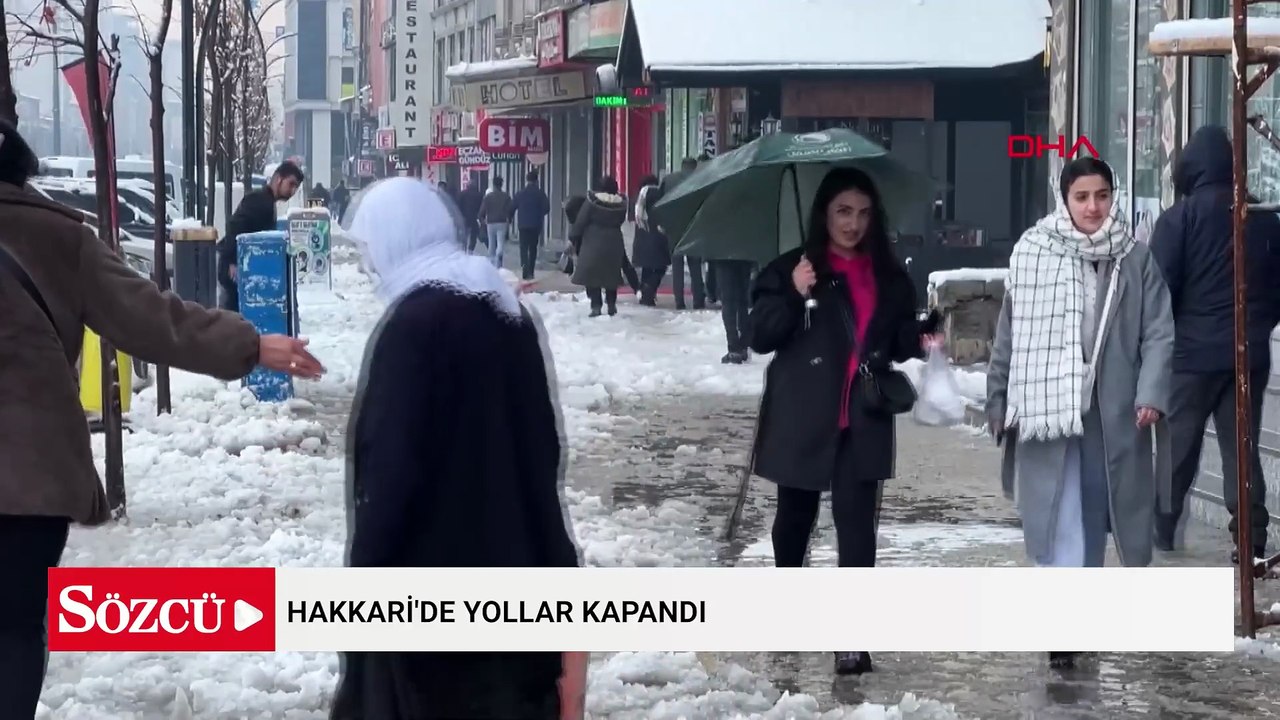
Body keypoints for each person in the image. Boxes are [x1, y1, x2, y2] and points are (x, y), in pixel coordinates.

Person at [0, 119, 324, 718]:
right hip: (30, 485)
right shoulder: (54, 235)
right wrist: (253, 345)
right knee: (13, 630)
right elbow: (154, 318)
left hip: (30, 481)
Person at [331, 177, 581, 720]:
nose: (371, 262)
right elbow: (542, 457)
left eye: (372, 246)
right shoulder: (505, 312)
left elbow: (389, 474)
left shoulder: (412, 327)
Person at [748, 167, 941, 677]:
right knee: (794, 521)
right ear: (824, 215)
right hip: (804, 411)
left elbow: (895, 342)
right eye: (842, 211)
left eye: (862, 213)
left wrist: (922, 333)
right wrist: (792, 291)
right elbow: (760, 336)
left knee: (857, 528)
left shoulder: (890, 276)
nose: (852, 223)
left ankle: (851, 638)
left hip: (864, 415)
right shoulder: (794, 268)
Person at [986, 157, 1174, 668]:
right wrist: (998, 395)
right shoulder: (1034, 253)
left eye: (1102, 196)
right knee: (1054, 511)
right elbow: (1010, 330)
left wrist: (1151, 392)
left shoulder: (1134, 259)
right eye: (1082, 197)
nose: (1093, 207)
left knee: (1095, 513)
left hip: (1110, 410)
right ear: (1063, 199)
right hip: (1048, 408)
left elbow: (1158, 330)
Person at [1149, 125, 1280, 562]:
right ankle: (1251, 540)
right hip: (1248, 355)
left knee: (1178, 447)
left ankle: (1161, 530)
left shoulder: (1178, 219)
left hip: (1190, 358)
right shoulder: (1261, 217)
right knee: (1241, 448)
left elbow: (1159, 292)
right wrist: (1256, 330)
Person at [217, 161, 305, 312]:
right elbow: (235, 225)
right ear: (278, 179)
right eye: (291, 184)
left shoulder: (267, 202)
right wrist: (232, 261)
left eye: (296, 187)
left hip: (242, 267)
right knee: (231, 316)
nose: (293, 191)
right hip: (234, 268)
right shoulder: (259, 200)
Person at [569, 176, 628, 317]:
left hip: (593, 241)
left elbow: (581, 221)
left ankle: (596, 306)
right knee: (611, 274)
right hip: (614, 241)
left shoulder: (591, 202)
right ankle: (611, 304)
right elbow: (620, 220)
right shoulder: (621, 205)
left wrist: (573, 237)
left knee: (592, 274)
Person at [655, 158, 709, 310]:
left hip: (673, 228)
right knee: (695, 266)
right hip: (695, 227)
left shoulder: (669, 179)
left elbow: (660, 203)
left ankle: (679, 301)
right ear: (694, 166)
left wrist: (663, 224)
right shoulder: (702, 179)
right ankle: (699, 300)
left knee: (677, 266)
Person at [632, 174, 670, 307]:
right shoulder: (662, 194)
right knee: (661, 267)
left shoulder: (640, 197)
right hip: (659, 236)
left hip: (643, 236)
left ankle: (646, 294)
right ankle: (649, 290)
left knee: (647, 268)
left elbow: (635, 215)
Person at [715, 257, 756, 363]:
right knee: (742, 302)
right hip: (745, 256)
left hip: (724, 258)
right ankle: (743, 345)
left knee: (728, 302)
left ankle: (734, 348)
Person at [513, 170, 551, 280]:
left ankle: (524, 270)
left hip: (523, 225)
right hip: (535, 225)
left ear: (527, 180)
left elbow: (512, 207)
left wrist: (510, 218)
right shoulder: (540, 193)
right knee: (533, 248)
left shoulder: (520, 193)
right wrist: (539, 215)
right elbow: (546, 208)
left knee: (523, 248)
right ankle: (531, 271)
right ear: (536, 180)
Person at [478, 175, 515, 269]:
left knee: (491, 243)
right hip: (502, 222)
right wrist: (509, 219)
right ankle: (499, 256)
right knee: (500, 242)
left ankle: (492, 263)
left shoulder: (488, 197)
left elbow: (481, 212)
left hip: (490, 222)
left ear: (493, 185)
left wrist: (483, 221)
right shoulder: (506, 196)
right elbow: (510, 209)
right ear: (501, 185)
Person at [458, 180, 485, 253]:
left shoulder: (462, 193)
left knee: (464, 234)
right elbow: (481, 207)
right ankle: (471, 249)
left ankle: (463, 248)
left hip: (464, 217)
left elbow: (459, 205)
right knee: (474, 235)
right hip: (475, 218)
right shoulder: (479, 195)